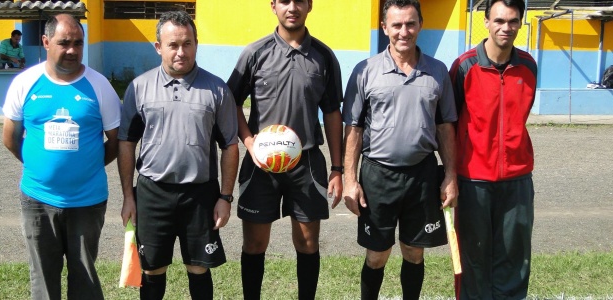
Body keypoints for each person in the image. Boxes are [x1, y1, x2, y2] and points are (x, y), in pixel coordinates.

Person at [117, 11, 239, 300]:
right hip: (152, 193)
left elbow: (230, 146)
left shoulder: (217, 89)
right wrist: (128, 196)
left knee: (198, 268)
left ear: (197, 43)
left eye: (187, 43)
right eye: (173, 45)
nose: (181, 52)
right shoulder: (139, 87)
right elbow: (126, 142)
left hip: (199, 195)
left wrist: (224, 197)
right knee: (152, 269)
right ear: (159, 47)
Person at [226, 0, 344, 298]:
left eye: (299, 1)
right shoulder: (255, 53)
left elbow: (332, 113)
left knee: (307, 242)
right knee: (254, 243)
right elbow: (231, 102)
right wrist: (250, 142)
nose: (292, 7)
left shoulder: (324, 56)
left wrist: (338, 169)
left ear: (309, 6)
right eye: (285, 1)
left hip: (306, 161)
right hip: (261, 164)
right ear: (273, 6)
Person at [341, 0, 458, 299]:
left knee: (414, 252)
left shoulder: (437, 71)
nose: (403, 31)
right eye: (396, 25)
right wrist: (350, 180)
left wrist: (451, 176)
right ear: (385, 28)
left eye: (410, 24)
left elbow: (445, 127)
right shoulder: (365, 71)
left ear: (420, 24)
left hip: (422, 174)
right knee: (377, 255)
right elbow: (353, 129)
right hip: (378, 176)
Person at [1, 14, 120, 300]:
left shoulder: (100, 86)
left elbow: (116, 143)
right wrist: (39, 167)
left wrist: (86, 167)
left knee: (84, 277)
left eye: (78, 43)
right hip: (38, 200)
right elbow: (10, 138)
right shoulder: (25, 83)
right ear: (45, 42)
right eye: (64, 42)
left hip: (87, 201)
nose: (72, 50)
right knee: (43, 278)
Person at [449, 0, 537, 298]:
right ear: (485, 21)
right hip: (473, 180)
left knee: (514, 257)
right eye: (499, 20)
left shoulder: (528, 66)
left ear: (521, 23)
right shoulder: (464, 67)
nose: (506, 27)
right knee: (473, 259)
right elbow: (449, 124)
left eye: (512, 21)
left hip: (517, 180)